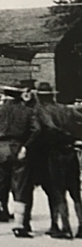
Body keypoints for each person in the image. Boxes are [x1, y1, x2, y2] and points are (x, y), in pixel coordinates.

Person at [0, 84, 40, 238]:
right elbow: (37, 130)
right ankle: (19, 226)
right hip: (18, 147)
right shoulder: (28, 111)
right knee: (20, 187)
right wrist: (26, 146)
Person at [35, 82, 82, 239]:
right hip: (70, 152)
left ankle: (64, 227)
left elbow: (42, 130)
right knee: (75, 192)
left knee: (57, 192)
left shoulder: (40, 110)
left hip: (52, 154)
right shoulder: (66, 110)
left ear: (39, 96)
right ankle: (81, 226)